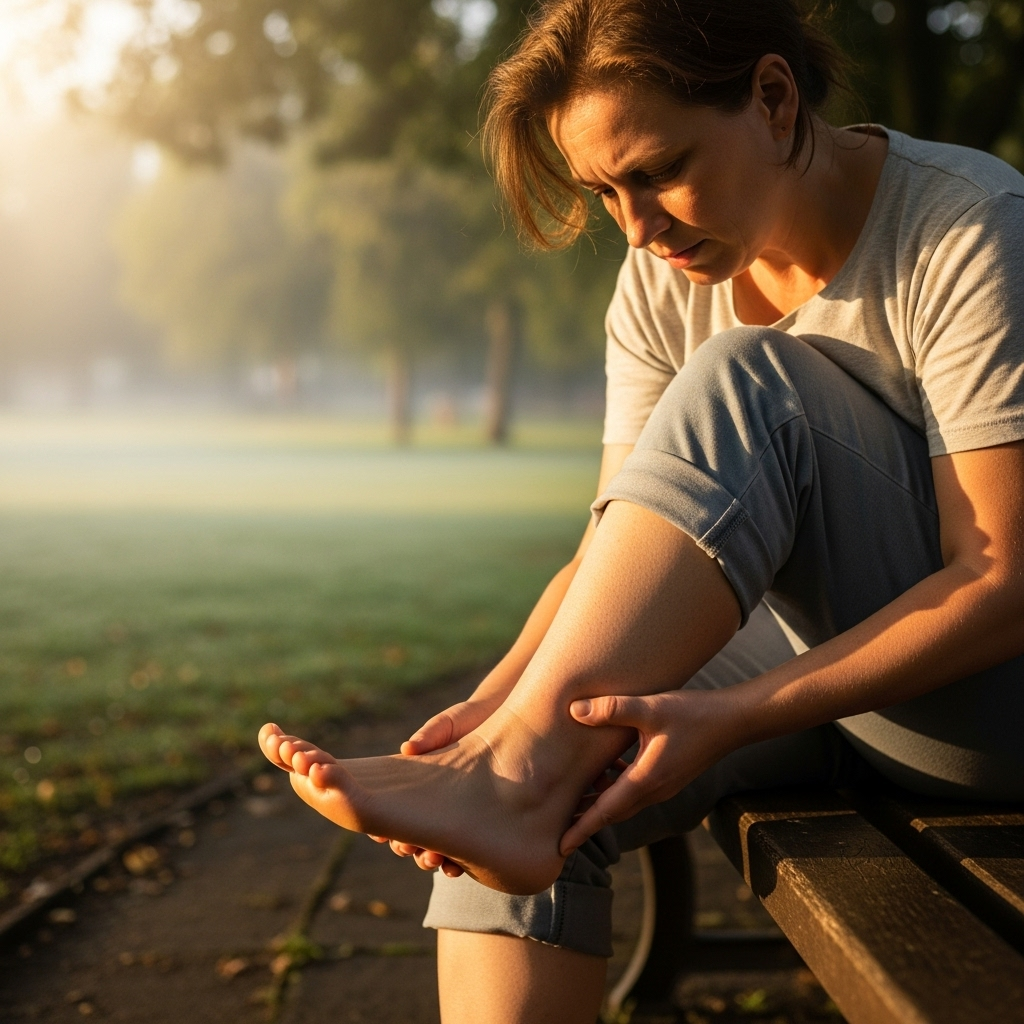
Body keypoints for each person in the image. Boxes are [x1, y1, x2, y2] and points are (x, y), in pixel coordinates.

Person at [259, 0, 1024, 1019]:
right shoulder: (659, 281)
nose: (637, 224)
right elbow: (611, 551)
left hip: (988, 710)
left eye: (658, 169)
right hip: (826, 673)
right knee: (552, 764)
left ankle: (514, 783)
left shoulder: (966, 222)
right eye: (604, 191)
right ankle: (509, 787)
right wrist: (489, 718)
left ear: (771, 98)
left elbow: (1003, 583)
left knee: (753, 377)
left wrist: (728, 716)